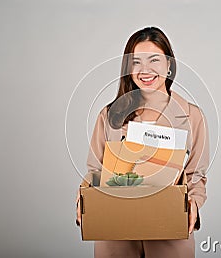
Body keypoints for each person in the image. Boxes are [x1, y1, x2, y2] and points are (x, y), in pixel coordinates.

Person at [76, 26, 210, 258]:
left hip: (169, 228)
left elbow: (196, 175)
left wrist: (194, 204)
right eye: (136, 62)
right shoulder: (110, 116)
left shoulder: (191, 116)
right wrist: (83, 197)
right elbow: (95, 170)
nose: (145, 70)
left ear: (169, 65)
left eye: (154, 60)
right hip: (115, 229)